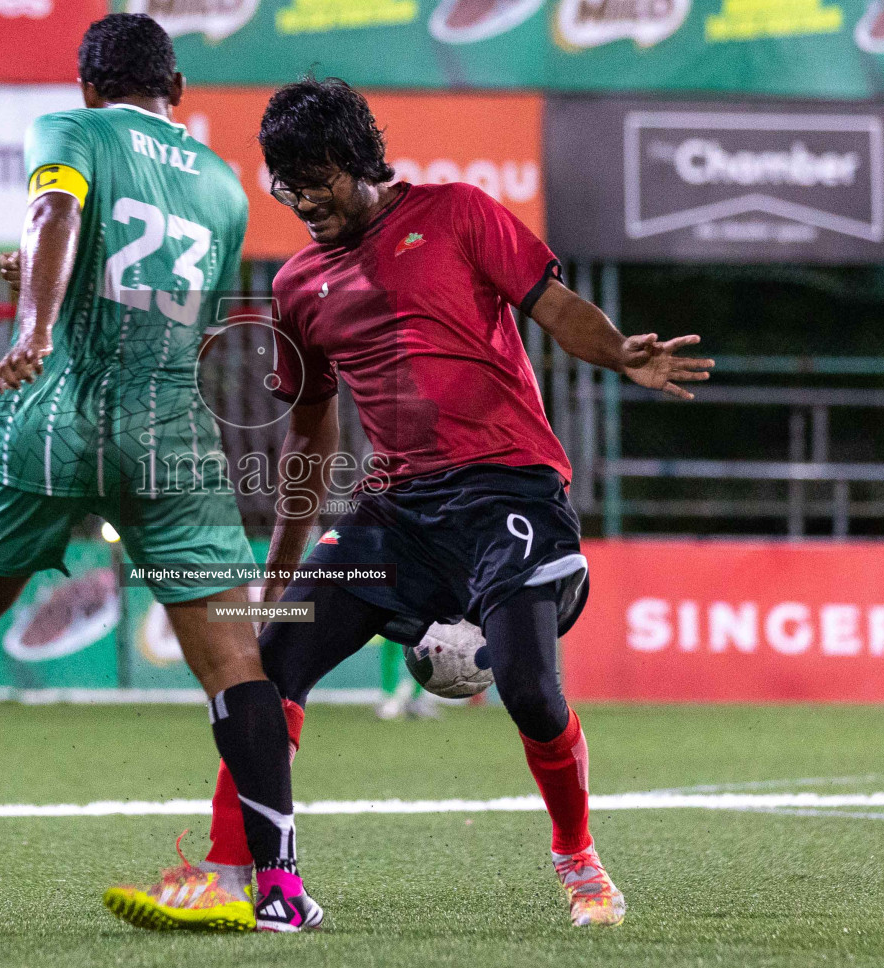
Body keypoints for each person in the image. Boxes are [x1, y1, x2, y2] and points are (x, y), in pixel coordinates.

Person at [124, 75, 713, 929]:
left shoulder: (460, 212)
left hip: (506, 486)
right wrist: (281, 578)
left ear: (359, 161)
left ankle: (578, 858)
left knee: (528, 688)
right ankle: (233, 872)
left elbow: (552, 305)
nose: (303, 200)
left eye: (317, 177)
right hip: (394, 516)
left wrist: (619, 352)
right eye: (287, 184)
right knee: (270, 664)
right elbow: (312, 434)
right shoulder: (297, 286)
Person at [0, 14, 320, 934]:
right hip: (170, 434)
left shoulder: (69, 132)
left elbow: (58, 213)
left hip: (58, 414)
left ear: (87, 85)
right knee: (239, 667)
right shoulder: (229, 190)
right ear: (178, 89)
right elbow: (153, 293)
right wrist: (45, 279)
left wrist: (33, 327)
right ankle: (278, 888)